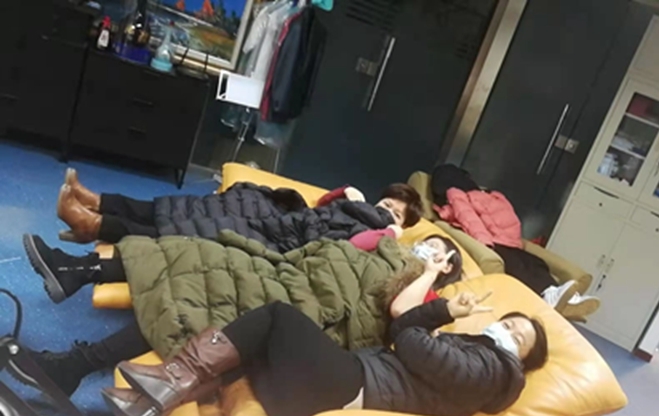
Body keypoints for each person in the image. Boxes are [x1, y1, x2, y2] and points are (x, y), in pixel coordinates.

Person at [19, 233, 465, 397]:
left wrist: (429, 273)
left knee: (188, 306)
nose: (428, 250)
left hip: (309, 314)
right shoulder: (389, 250)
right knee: (193, 252)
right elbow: (341, 250)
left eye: (439, 253)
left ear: (446, 270)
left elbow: (397, 312)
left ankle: (74, 365)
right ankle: (77, 269)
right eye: (428, 244)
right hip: (288, 275)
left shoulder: (428, 299)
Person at [102, 288, 548, 416]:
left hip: (350, 393)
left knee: (279, 315)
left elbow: (408, 341)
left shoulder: (494, 373)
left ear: (522, 361)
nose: (507, 331)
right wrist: (446, 310)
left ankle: (171, 380)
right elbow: (406, 332)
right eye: (509, 323)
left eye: (519, 338)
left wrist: (430, 328)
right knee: (257, 343)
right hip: (331, 395)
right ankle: (153, 402)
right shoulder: (476, 355)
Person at [56, 168, 424, 246]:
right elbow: (322, 206)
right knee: (188, 209)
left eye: (395, 213)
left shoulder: (381, 236)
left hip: (281, 241)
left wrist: (389, 229)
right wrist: (347, 192)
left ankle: (95, 226)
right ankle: (98, 203)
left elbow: (326, 240)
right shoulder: (355, 207)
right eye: (385, 203)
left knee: (188, 230)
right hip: (282, 220)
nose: (384, 211)